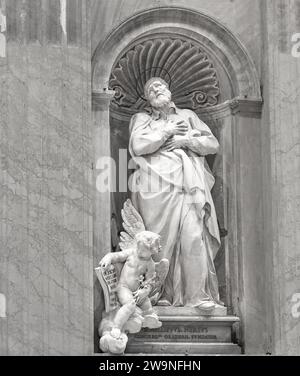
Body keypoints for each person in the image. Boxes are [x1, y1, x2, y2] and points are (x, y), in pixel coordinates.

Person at [129, 77, 222, 310]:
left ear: (169, 90)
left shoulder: (188, 116)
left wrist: (185, 140)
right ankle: (158, 296)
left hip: (189, 187)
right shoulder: (142, 119)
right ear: (147, 99)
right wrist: (165, 132)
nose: (156, 89)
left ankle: (197, 297)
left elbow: (212, 144)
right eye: (150, 89)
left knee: (193, 239)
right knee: (160, 244)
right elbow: (138, 146)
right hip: (155, 190)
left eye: (159, 86)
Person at [100, 230, 162, 337]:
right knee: (130, 304)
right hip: (123, 287)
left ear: (152, 251)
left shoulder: (150, 264)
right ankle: (116, 327)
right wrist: (108, 257)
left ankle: (148, 319)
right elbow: (118, 256)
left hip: (137, 291)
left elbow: (150, 281)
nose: (138, 251)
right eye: (138, 247)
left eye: (142, 250)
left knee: (147, 305)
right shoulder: (131, 253)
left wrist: (144, 291)